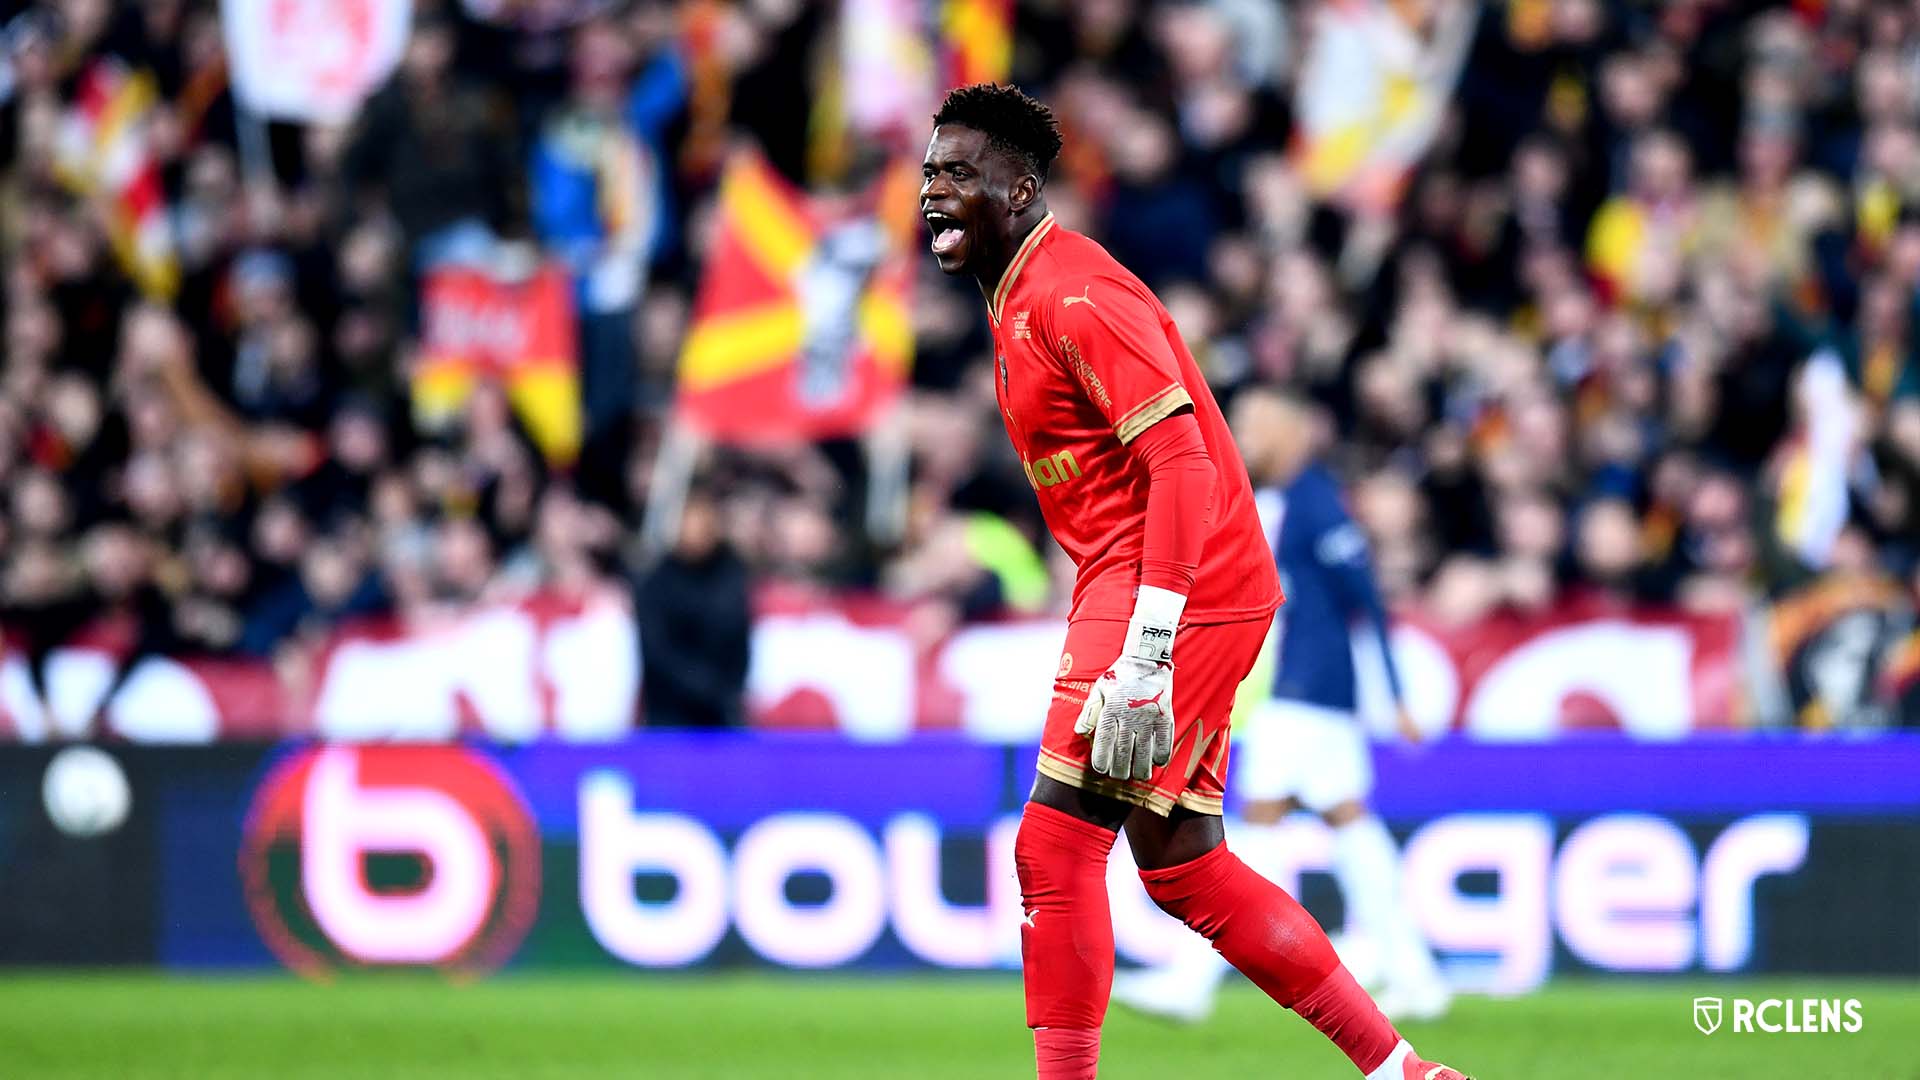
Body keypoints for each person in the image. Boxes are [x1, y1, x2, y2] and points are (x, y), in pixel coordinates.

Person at [919, 84, 1470, 1080]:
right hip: (1151, 579)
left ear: (1020, 188)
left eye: (958, 172)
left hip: (1173, 585)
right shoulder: (1017, 302)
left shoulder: (1075, 294)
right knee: (1182, 867)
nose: (932, 192)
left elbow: (1182, 462)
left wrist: (1148, 646)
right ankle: (1404, 1073)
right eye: (928, 173)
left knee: (1055, 849)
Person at [1114, 387, 1451, 1025]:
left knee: (1252, 828)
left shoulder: (1315, 501)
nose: (1241, 437)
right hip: (1313, 695)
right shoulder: (1292, 499)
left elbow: (1366, 598)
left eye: (1251, 426)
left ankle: (1190, 980)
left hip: (1305, 694)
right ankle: (1418, 976)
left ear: (1285, 432)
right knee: (1349, 825)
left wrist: (1397, 694)